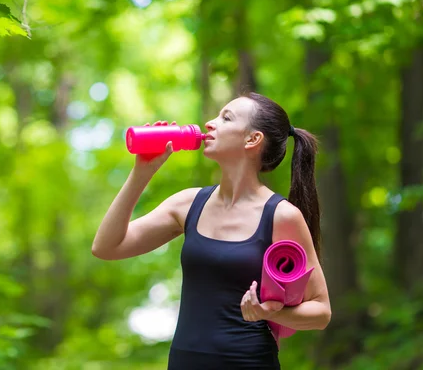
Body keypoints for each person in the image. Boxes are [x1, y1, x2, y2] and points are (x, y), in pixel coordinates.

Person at [92, 92, 331, 369]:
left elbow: (321, 311)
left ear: (252, 139)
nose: (209, 123)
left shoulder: (281, 216)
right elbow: (106, 247)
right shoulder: (188, 203)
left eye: (225, 118)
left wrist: (270, 313)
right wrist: (142, 173)